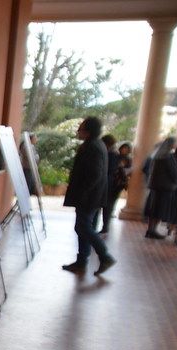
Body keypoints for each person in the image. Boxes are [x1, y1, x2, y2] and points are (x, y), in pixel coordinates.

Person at [62, 116, 116, 275]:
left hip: (88, 197)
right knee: (83, 227)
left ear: (88, 131)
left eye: (82, 128)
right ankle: (81, 261)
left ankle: (104, 256)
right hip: (91, 196)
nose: (79, 130)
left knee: (83, 227)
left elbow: (95, 174)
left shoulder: (92, 147)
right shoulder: (96, 145)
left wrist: (83, 192)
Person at [143, 137, 177, 239]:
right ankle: (153, 230)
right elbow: (174, 172)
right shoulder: (167, 157)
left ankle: (150, 230)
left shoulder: (156, 156)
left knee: (154, 210)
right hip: (164, 188)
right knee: (160, 210)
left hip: (155, 187)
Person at [99, 134, 120, 234]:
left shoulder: (111, 154)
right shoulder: (115, 153)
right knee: (108, 206)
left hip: (109, 184)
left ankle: (105, 226)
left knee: (106, 206)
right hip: (111, 184)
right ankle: (105, 226)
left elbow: (109, 169)